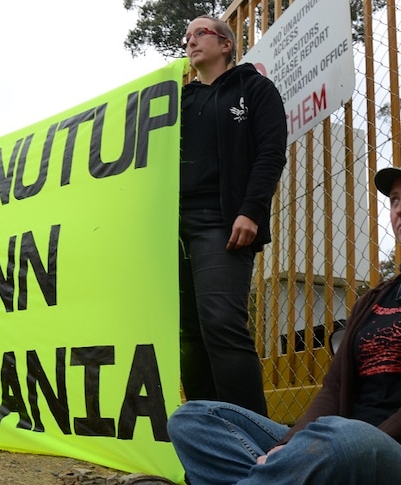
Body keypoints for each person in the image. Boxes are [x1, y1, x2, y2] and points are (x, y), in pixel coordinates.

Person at [168, 158, 401, 485]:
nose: (399, 209)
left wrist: (339, 447)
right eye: (395, 199)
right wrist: (289, 449)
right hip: (336, 449)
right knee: (195, 418)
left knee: (343, 438)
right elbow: (334, 391)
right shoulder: (376, 296)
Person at [177, 14, 287, 417]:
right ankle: (207, 442)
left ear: (225, 44)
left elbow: (271, 152)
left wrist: (251, 210)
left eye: (200, 33)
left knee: (221, 324)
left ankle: (252, 442)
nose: (190, 42)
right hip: (173, 226)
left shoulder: (254, 88)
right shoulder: (179, 103)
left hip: (221, 222)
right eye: (186, 36)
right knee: (189, 334)